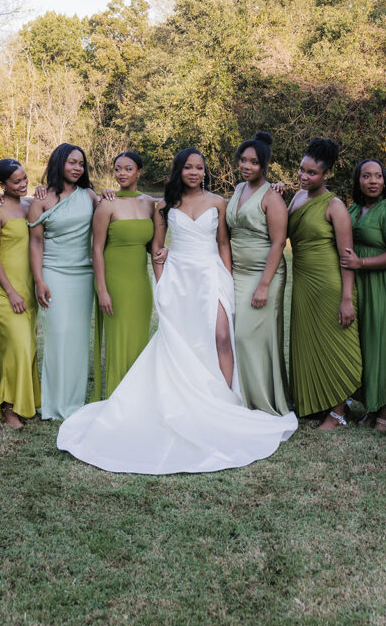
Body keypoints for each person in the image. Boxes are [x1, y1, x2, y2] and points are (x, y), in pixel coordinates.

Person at [57, 148, 298, 473]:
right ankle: (190, 393)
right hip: (180, 279)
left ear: (204, 172)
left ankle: (226, 399)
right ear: (179, 170)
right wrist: (162, 284)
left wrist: (225, 278)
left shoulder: (218, 202)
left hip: (211, 274)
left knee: (221, 335)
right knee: (185, 339)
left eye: (199, 168)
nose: (195, 172)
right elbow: (157, 249)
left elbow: (223, 243)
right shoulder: (165, 206)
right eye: (189, 167)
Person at [287, 138, 362, 429]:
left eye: (312, 173)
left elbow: (347, 257)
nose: (304, 177)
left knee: (335, 344)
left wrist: (347, 299)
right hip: (303, 281)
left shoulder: (335, 206)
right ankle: (314, 402)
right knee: (309, 343)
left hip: (329, 283)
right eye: (301, 170)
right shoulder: (296, 197)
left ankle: (338, 412)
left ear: (326, 174)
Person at [27, 144, 98, 420]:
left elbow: (107, 220)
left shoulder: (89, 195)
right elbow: (35, 242)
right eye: (71, 162)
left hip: (83, 274)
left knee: (78, 338)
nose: (77, 168)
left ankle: (74, 402)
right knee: (58, 335)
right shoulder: (42, 199)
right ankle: (54, 403)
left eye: (81, 163)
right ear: (59, 163)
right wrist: (39, 280)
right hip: (53, 273)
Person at [225, 132, 291, 415]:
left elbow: (279, 242)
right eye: (243, 160)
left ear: (264, 166)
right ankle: (241, 397)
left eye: (253, 162)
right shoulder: (239, 189)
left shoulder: (272, 197)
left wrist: (264, 285)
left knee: (251, 337)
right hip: (237, 274)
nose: (246, 166)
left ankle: (263, 401)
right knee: (236, 335)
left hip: (265, 275)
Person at [339, 159, 386, 431]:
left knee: (384, 344)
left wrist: (361, 263)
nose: (373, 181)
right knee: (367, 344)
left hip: (384, 285)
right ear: (357, 181)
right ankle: (372, 404)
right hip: (360, 287)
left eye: (378, 176)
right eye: (366, 176)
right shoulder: (352, 210)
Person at [0, 159, 40, 428]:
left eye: (25, 178)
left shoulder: (30, 206)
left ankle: (22, 400)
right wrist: (11, 292)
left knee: (22, 346)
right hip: (5, 290)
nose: (23, 184)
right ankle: (8, 408)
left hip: (28, 287)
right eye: (16, 181)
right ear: (1, 184)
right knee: (18, 345)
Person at [91, 151, 155, 399]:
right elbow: (96, 249)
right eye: (117, 169)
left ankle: (138, 394)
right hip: (114, 281)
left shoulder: (150, 202)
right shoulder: (106, 203)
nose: (122, 174)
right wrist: (102, 290)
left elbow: (150, 244)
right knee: (118, 339)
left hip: (140, 282)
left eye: (128, 169)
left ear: (139, 171)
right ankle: (118, 395)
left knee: (139, 336)